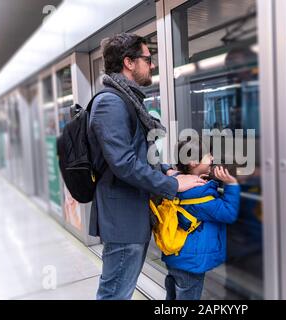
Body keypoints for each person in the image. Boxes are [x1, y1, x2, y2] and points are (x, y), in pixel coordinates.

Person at [87, 33, 206, 300]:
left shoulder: (127, 100)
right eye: (147, 59)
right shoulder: (111, 102)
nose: (151, 65)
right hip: (123, 218)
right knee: (115, 293)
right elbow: (123, 163)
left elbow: (139, 153)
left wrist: (166, 170)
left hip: (131, 214)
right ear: (129, 62)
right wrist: (173, 185)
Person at [162, 139, 240, 300]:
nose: (212, 158)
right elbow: (228, 213)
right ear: (193, 162)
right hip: (192, 263)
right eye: (207, 155)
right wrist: (231, 184)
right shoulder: (200, 196)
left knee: (173, 295)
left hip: (176, 256)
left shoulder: (175, 181)